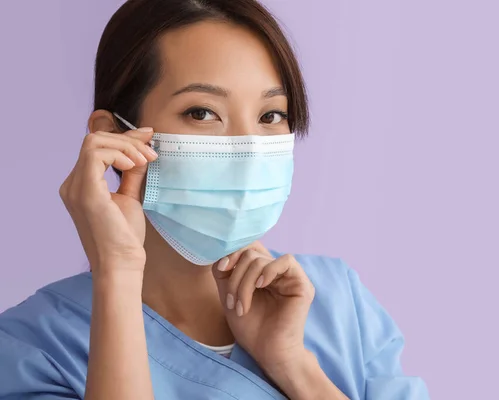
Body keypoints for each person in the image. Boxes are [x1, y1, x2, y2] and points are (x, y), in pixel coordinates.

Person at [0, 1, 429, 399]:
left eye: (270, 116)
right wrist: (117, 275)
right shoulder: (34, 345)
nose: (247, 146)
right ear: (113, 136)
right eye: (202, 113)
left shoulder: (338, 301)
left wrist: (295, 367)